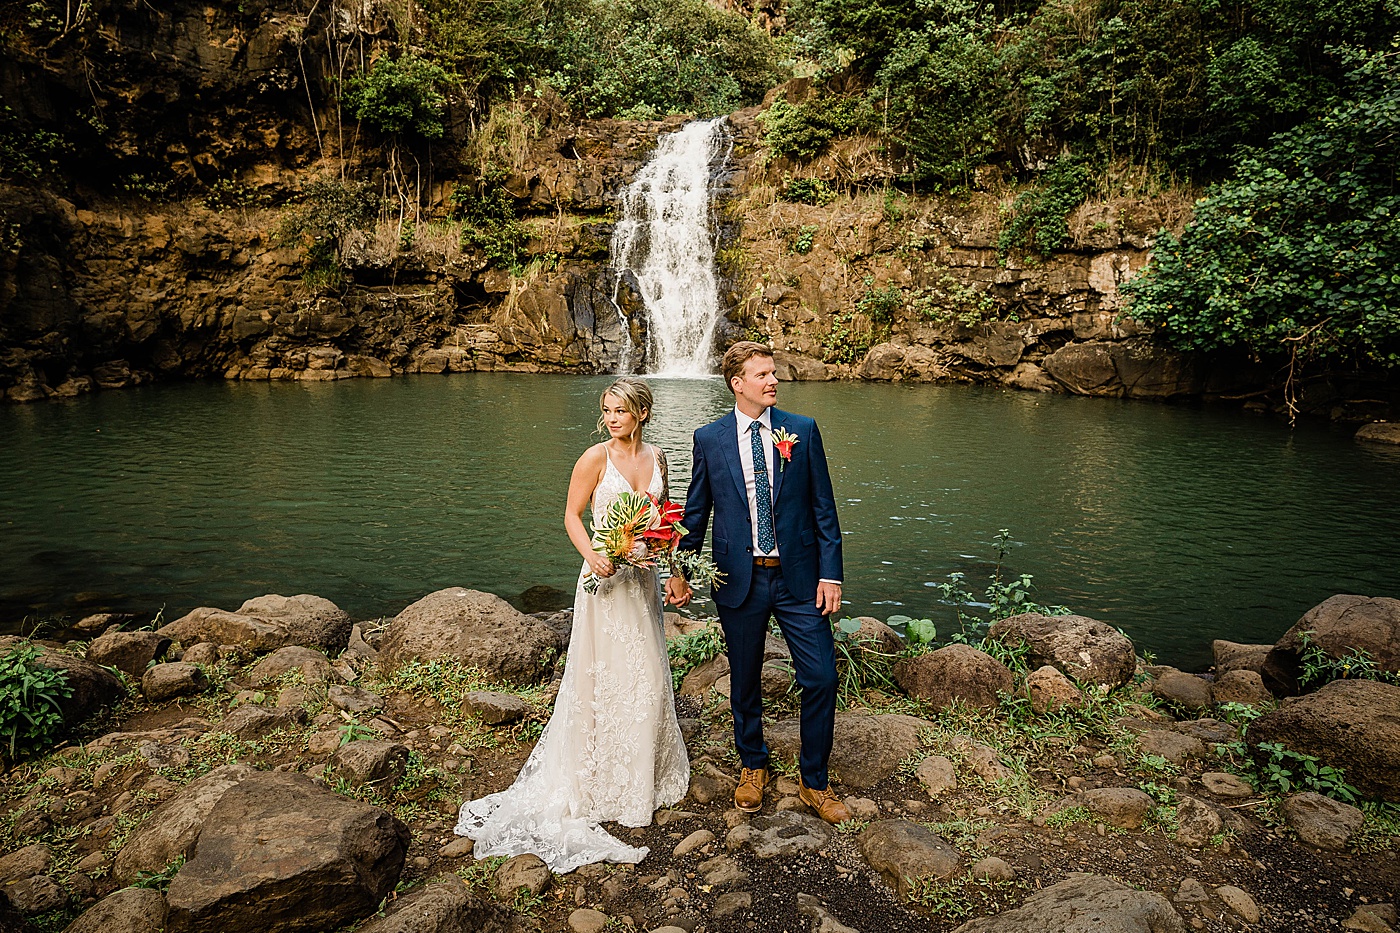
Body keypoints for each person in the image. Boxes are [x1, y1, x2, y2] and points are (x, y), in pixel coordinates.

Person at [455, 377, 690, 872]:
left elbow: (665, 524)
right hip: (602, 582)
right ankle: (598, 781)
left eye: (621, 410)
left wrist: (677, 572)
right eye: (606, 410)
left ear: (641, 414)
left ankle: (640, 782)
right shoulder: (593, 458)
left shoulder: (659, 459)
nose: (612, 418)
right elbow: (571, 515)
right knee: (600, 680)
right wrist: (595, 556)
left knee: (646, 680)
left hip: (641, 582)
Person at [667, 342, 852, 824]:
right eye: (763, 374)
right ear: (738, 383)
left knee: (821, 677)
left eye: (773, 373)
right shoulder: (709, 438)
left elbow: (823, 509)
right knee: (744, 680)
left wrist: (830, 573)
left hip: (799, 580)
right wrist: (681, 569)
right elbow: (696, 511)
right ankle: (753, 765)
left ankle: (815, 781)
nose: (773, 381)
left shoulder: (802, 431)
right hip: (738, 579)